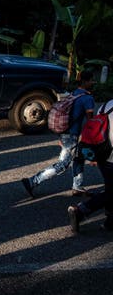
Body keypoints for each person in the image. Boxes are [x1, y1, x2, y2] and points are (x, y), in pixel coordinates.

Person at [22, 70, 96, 197]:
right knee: (63, 164)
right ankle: (32, 181)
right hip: (71, 135)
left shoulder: (74, 94)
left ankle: (77, 187)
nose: (93, 83)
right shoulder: (87, 98)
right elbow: (91, 122)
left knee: (78, 158)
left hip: (64, 133)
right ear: (85, 81)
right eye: (91, 80)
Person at [68, 97, 113, 233]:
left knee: (111, 188)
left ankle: (110, 222)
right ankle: (80, 211)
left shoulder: (108, 103)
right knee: (111, 191)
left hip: (100, 152)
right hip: (111, 156)